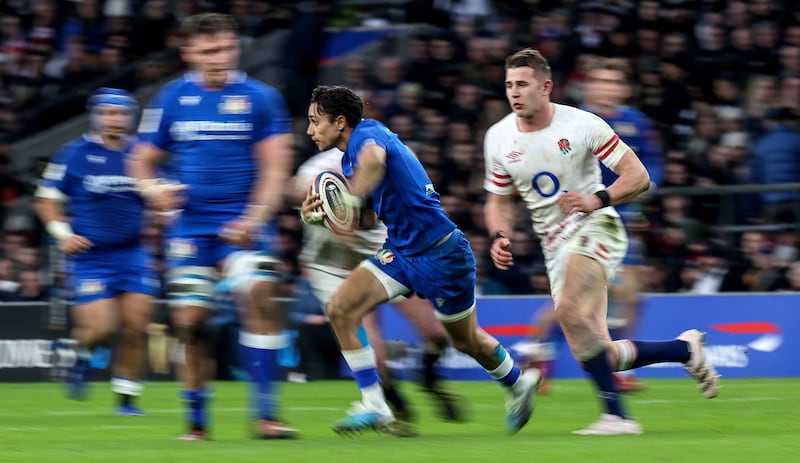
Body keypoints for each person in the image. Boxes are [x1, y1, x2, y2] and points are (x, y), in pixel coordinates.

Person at [483, 48, 721, 435]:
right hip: (553, 246)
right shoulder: (497, 138)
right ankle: (685, 350)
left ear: (546, 87)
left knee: (569, 312)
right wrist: (500, 234)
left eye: (522, 84)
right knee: (598, 352)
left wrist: (597, 199)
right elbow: (498, 199)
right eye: (509, 84)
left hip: (596, 226)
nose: (514, 92)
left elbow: (638, 175)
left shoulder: (581, 124)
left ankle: (618, 417)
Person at [301, 85, 539, 436]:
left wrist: (349, 198)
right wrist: (325, 214)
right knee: (341, 309)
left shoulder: (368, 133)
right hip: (400, 252)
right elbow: (365, 219)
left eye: (314, 122)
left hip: (442, 254)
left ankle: (518, 382)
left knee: (466, 341)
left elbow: (375, 162)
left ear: (339, 122)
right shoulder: (351, 158)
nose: (309, 131)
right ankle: (375, 404)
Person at [127, 13, 295, 440]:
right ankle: (197, 423)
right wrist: (153, 190)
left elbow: (275, 170)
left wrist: (254, 218)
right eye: (206, 52)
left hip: (246, 224)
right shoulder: (169, 98)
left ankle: (266, 416)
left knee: (260, 295)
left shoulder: (261, 99)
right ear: (189, 54)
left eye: (223, 50)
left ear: (236, 48)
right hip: (189, 229)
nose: (216, 60)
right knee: (190, 321)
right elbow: (142, 161)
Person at [292, 148, 464, 436]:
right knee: (375, 355)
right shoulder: (320, 168)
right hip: (337, 267)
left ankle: (429, 378)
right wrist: (313, 207)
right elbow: (297, 188)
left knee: (436, 333)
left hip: (386, 255)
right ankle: (400, 413)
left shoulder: (387, 157)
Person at [33, 87, 158, 416]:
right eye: (107, 113)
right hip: (92, 257)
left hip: (133, 254)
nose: (113, 119)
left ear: (130, 117)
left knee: (136, 326)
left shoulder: (141, 155)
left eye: (119, 113)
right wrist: (62, 234)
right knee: (102, 328)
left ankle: (127, 401)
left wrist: (165, 206)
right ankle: (81, 356)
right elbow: (46, 200)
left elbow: (159, 192)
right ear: (96, 116)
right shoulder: (73, 154)